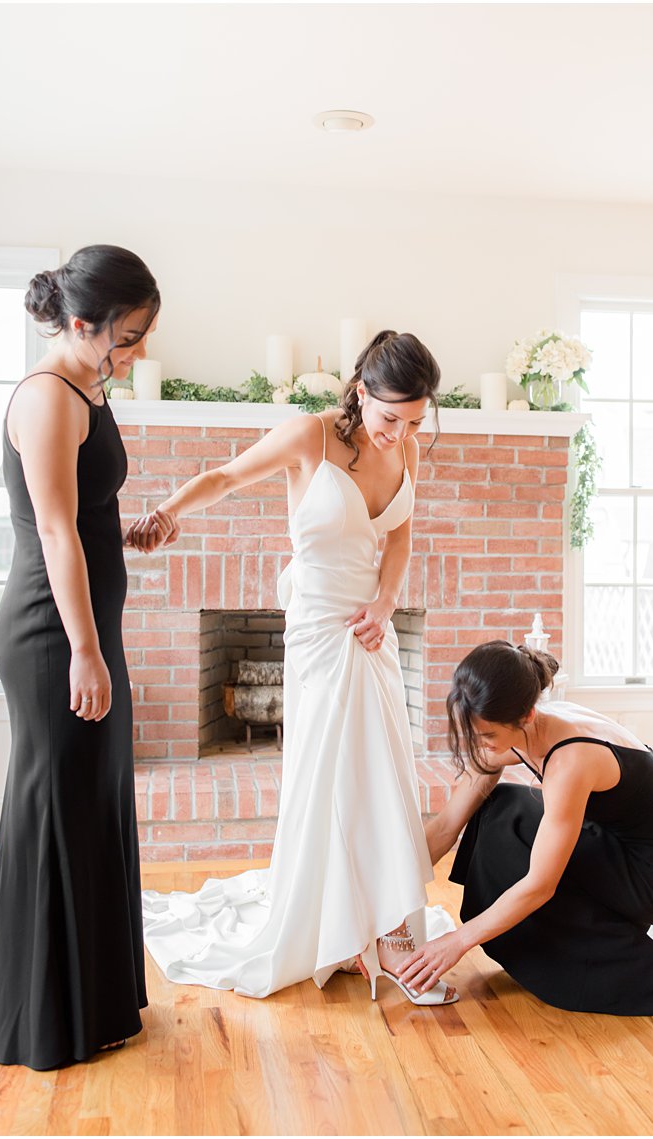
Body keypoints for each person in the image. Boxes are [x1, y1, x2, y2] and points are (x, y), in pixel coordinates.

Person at [134, 330, 459, 1004]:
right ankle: (332, 926)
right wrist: (168, 511)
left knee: (381, 770)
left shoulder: (405, 449)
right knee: (329, 772)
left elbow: (399, 533)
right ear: (361, 392)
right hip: (317, 629)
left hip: (372, 627)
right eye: (390, 417)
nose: (401, 434)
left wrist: (388, 600)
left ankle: (387, 931)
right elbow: (227, 475)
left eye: (416, 421)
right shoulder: (308, 438)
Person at [0, 245, 158, 1070]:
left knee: (92, 805)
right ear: (82, 324)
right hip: (53, 637)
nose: (137, 351)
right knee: (57, 809)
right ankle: (40, 1019)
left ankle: (94, 1004)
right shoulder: (48, 397)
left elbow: (78, 517)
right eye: (128, 336)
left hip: (85, 629)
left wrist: (123, 531)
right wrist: (86, 650)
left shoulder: (88, 382)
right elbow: (49, 530)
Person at [401, 640, 653, 1015]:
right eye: (473, 734)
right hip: (617, 843)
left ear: (525, 716)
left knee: (508, 828)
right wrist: (383, 906)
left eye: (488, 736)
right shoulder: (522, 727)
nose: (481, 745)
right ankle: (585, 925)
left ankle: (622, 963)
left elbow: (539, 885)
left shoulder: (571, 759)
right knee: (499, 809)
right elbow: (448, 823)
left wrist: (457, 942)